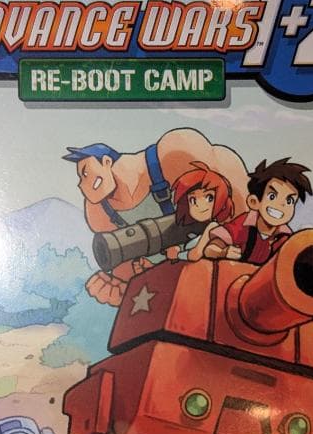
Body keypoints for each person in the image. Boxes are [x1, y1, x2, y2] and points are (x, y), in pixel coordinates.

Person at [64, 128, 248, 304]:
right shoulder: (99, 211)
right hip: (176, 287)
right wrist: (121, 285)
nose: (81, 184)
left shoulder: (172, 153)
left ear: (106, 161)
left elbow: (240, 197)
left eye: (85, 172)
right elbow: (126, 272)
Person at [204, 157, 312, 265]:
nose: (281, 204)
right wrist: (223, 252)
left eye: (289, 201)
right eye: (272, 196)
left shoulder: (285, 237)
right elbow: (210, 249)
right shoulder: (242, 225)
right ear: (254, 202)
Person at [169, 162, 235, 262]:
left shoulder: (213, 226)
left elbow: (195, 255)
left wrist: (177, 255)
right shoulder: (201, 229)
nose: (200, 205)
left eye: (209, 198)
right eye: (193, 200)